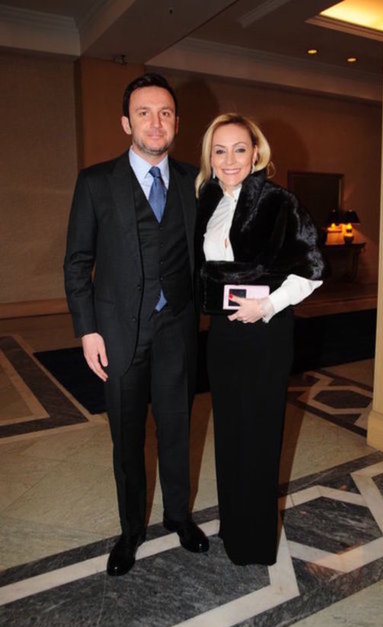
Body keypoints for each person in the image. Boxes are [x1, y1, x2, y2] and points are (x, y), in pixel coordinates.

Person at [64, 73, 209, 577]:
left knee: (177, 428)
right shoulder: (95, 182)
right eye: (144, 112)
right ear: (127, 122)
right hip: (119, 332)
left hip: (178, 328)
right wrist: (87, 330)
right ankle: (130, 532)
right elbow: (77, 262)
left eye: (165, 113)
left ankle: (178, 516)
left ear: (177, 123)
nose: (155, 122)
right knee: (127, 440)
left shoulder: (195, 181)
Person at [195, 113, 326, 566]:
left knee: (260, 434)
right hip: (223, 335)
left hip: (266, 332)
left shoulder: (278, 201)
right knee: (230, 431)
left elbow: (312, 270)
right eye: (220, 150)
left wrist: (267, 305)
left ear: (256, 154)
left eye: (239, 149)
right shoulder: (208, 202)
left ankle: (254, 543)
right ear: (210, 158)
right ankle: (234, 528)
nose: (229, 159)